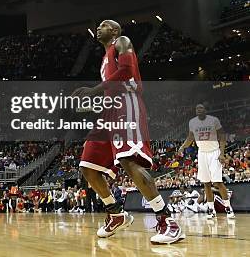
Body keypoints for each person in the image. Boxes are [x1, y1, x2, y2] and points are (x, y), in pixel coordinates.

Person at [73, 20, 184, 245]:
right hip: (109, 111)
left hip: (127, 103)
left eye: (103, 25)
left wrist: (93, 91)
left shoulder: (122, 42)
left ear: (114, 31)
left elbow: (126, 72)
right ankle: (116, 214)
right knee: (88, 166)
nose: (98, 27)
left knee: (129, 161)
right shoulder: (104, 59)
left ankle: (167, 221)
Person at [178, 103, 235, 219]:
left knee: (218, 182)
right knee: (206, 184)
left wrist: (222, 153)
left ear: (206, 110)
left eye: (201, 108)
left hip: (214, 152)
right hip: (202, 153)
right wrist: (182, 147)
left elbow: (222, 136)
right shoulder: (192, 122)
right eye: (197, 108)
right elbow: (190, 138)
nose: (199, 110)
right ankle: (211, 209)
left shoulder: (214, 120)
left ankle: (228, 208)